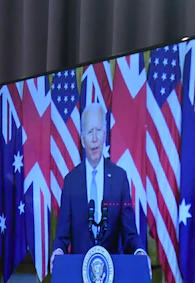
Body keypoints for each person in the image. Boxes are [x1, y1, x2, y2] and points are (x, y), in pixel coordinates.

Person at [50, 103, 147, 273]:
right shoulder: (71, 182)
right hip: (79, 276)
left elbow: (130, 233)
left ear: (104, 135)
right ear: (82, 139)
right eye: (89, 132)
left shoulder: (119, 178)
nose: (94, 138)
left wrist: (139, 252)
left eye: (98, 130)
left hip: (112, 275)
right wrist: (58, 251)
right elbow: (62, 235)